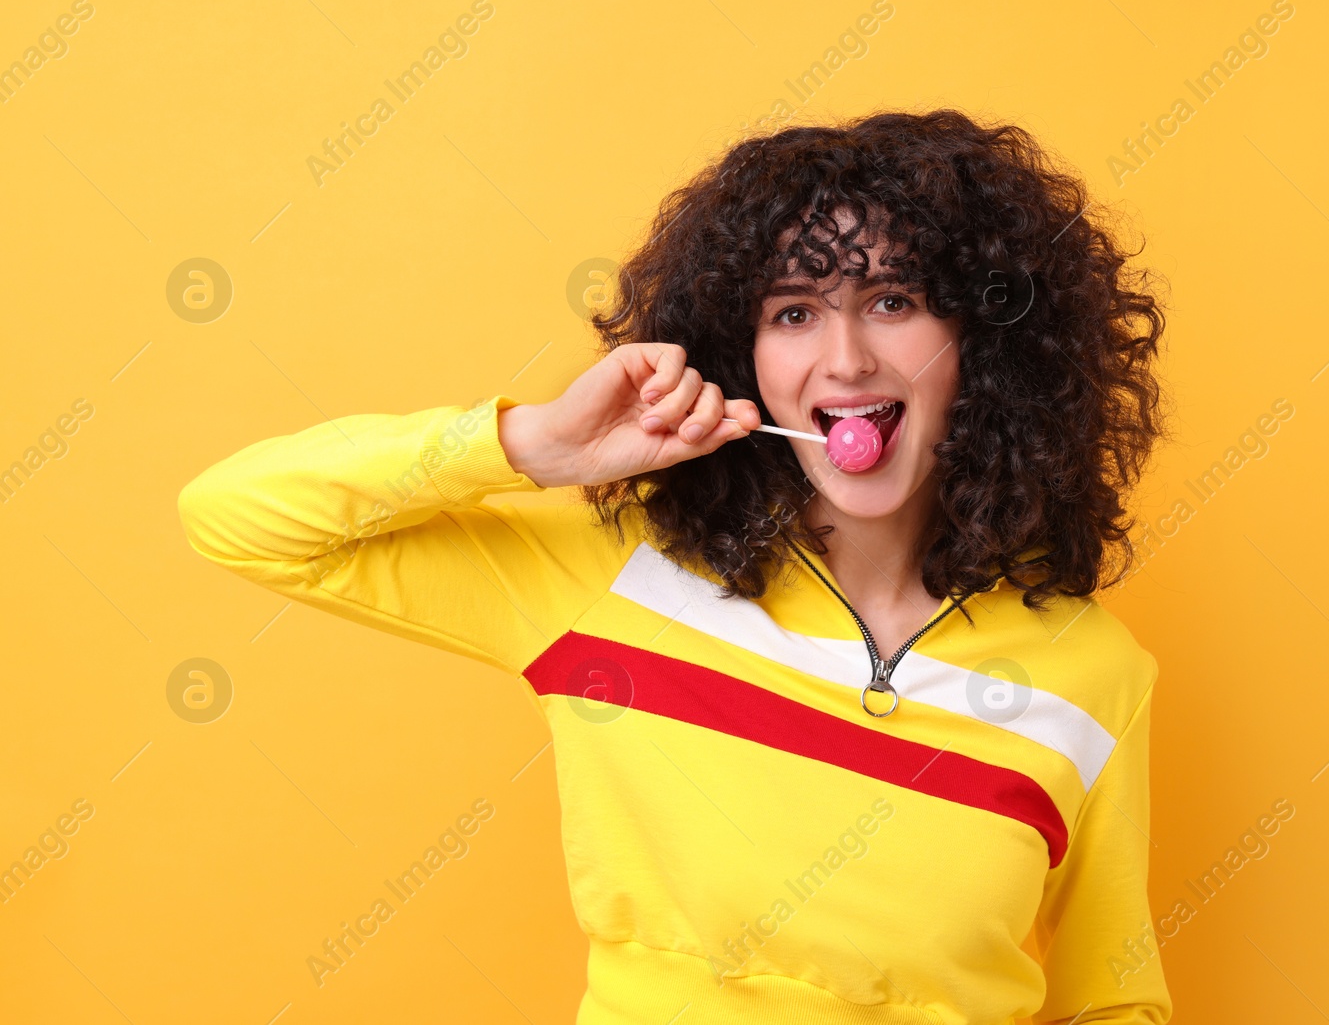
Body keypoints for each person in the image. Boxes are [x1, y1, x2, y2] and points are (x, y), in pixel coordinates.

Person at [178, 109, 1172, 1023]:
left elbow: (1113, 1000)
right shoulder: (611, 583)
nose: (846, 357)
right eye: (792, 311)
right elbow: (238, 515)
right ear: (740, 361)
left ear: (986, 350)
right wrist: (533, 447)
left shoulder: (1094, 676)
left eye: (894, 299)